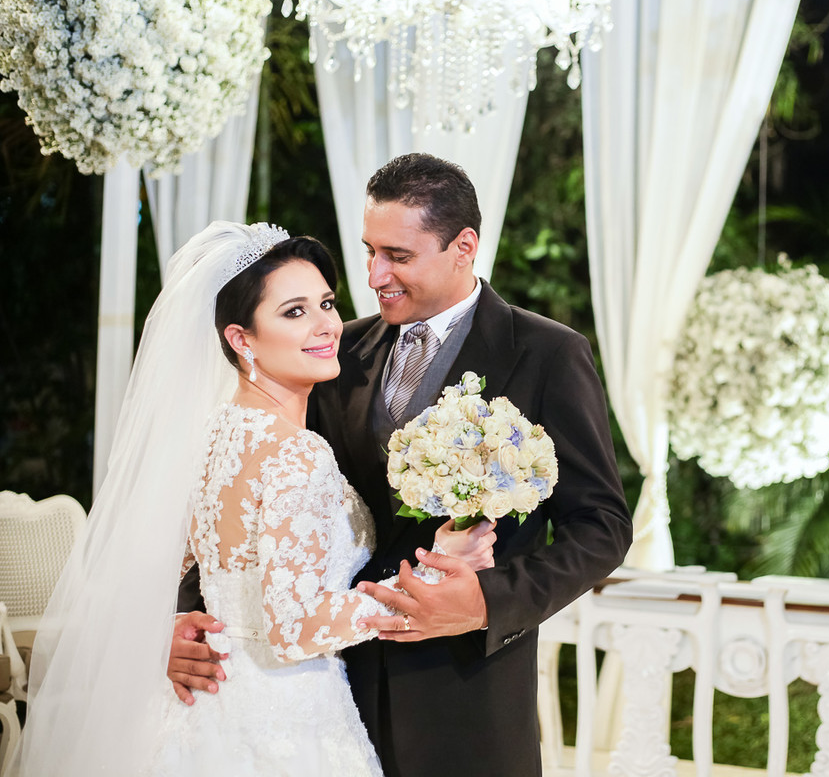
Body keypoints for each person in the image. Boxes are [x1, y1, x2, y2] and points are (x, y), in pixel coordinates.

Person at [171, 153, 633, 776]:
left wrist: (486, 603)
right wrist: (190, 620)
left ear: (463, 247)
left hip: (467, 693)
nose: (374, 274)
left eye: (398, 255)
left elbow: (602, 527)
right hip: (328, 687)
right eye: (369, 251)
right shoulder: (335, 353)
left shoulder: (549, 354)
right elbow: (251, 505)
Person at [15, 222, 493, 776]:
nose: (326, 326)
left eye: (327, 303)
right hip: (284, 719)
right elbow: (297, 630)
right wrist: (433, 576)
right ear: (242, 339)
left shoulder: (207, 436)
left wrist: (160, 631)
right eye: (294, 312)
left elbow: (145, 577)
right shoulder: (296, 453)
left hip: (201, 708)